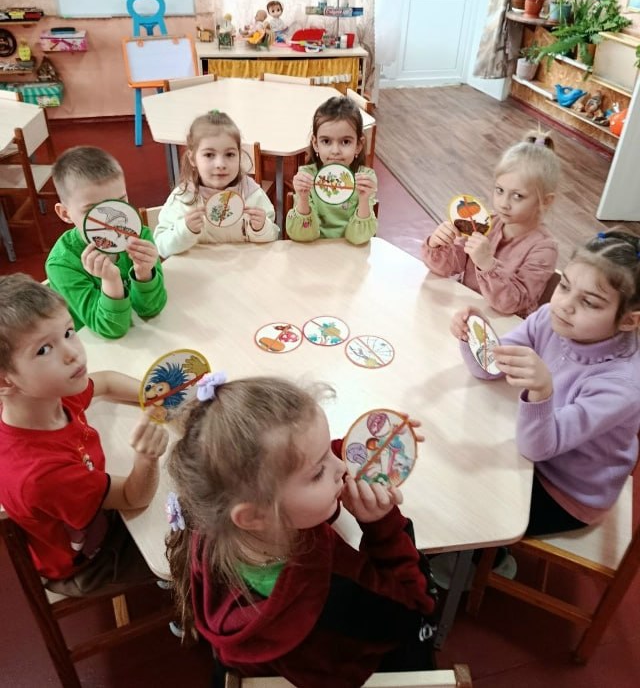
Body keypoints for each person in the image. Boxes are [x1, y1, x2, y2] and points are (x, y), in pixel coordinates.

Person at [166, 374, 437, 688]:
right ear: (255, 515)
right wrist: (383, 527)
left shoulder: (211, 522)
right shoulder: (333, 594)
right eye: (319, 470)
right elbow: (413, 610)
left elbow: (287, 472)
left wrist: (365, 448)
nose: (341, 467)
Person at [450, 229, 640, 536]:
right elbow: (491, 367)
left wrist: (541, 391)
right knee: (455, 463)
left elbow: (536, 448)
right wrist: (473, 335)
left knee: (468, 507)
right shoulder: (549, 318)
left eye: (589, 302)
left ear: (629, 320)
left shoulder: (622, 386)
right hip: (530, 451)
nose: (565, 304)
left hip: (567, 492)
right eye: (564, 286)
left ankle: (491, 556)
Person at [0, 274, 169, 595]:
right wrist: (147, 458)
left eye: (68, 332)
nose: (73, 354)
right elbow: (134, 497)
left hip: (90, 509)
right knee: (200, 543)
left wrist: (158, 396)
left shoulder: (46, 394)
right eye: (44, 349)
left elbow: (105, 381)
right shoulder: (42, 474)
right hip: (88, 562)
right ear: (4, 381)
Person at [422, 131, 560, 317]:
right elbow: (446, 267)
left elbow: (513, 303)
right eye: (500, 190)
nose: (504, 203)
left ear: (546, 201)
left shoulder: (544, 249)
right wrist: (438, 244)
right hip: (465, 316)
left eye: (518, 196)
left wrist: (487, 264)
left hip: (506, 329)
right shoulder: (487, 222)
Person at [46, 146, 167, 340]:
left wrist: (144, 274)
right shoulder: (62, 264)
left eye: (120, 201)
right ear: (65, 213)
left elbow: (151, 309)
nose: (110, 222)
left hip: (143, 336)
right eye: (92, 210)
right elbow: (111, 328)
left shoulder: (139, 235)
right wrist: (111, 281)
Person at [153, 111, 279, 257]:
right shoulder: (183, 198)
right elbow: (161, 246)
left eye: (229, 154)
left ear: (239, 156)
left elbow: (273, 235)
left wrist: (261, 228)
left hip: (243, 267)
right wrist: (184, 230)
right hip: (199, 269)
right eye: (209, 155)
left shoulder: (252, 194)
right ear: (192, 158)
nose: (220, 164)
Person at [286, 95, 377, 244]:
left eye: (345, 142)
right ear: (316, 144)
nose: (335, 151)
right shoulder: (307, 176)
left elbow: (358, 238)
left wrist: (364, 199)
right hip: (313, 250)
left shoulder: (365, 178)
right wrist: (303, 198)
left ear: (358, 145)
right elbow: (301, 236)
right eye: (326, 141)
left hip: (350, 253)